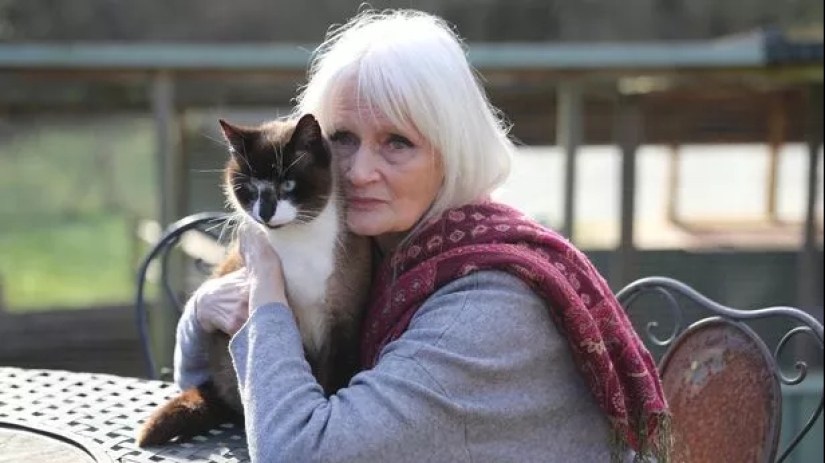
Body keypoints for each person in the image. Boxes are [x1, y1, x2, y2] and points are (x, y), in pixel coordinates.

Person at [174, 9, 671, 463]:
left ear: (451, 154)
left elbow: (298, 452)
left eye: (398, 143)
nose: (361, 171)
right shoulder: (380, 257)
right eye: (342, 139)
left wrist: (267, 299)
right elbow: (204, 393)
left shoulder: (485, 309)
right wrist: (201, 313)